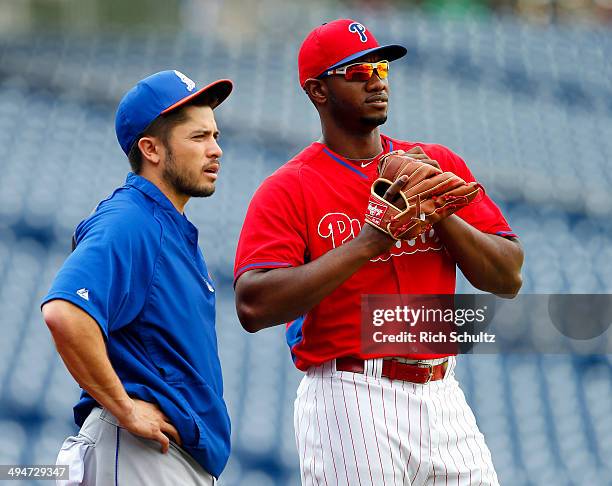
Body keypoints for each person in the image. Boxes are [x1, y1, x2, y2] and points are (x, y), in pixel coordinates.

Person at [234, 19, 523, 485]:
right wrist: (372, 239)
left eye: (381, 67)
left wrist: (439, 212)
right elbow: (253, 304)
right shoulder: (290, 187)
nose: (375, 79)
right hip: (352, 394)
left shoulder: (435, 163)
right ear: (318, 91)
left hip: (443, 390)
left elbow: (508, 277)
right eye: (356, 71)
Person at [41, 70, 233, 485]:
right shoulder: (129, 220)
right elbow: (65, 312)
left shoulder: (165, 225)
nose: (216, 150)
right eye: (198, 138)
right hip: (137, 455)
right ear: (152, 149)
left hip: (166, 459)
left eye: (215, 136)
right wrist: (125, 408)